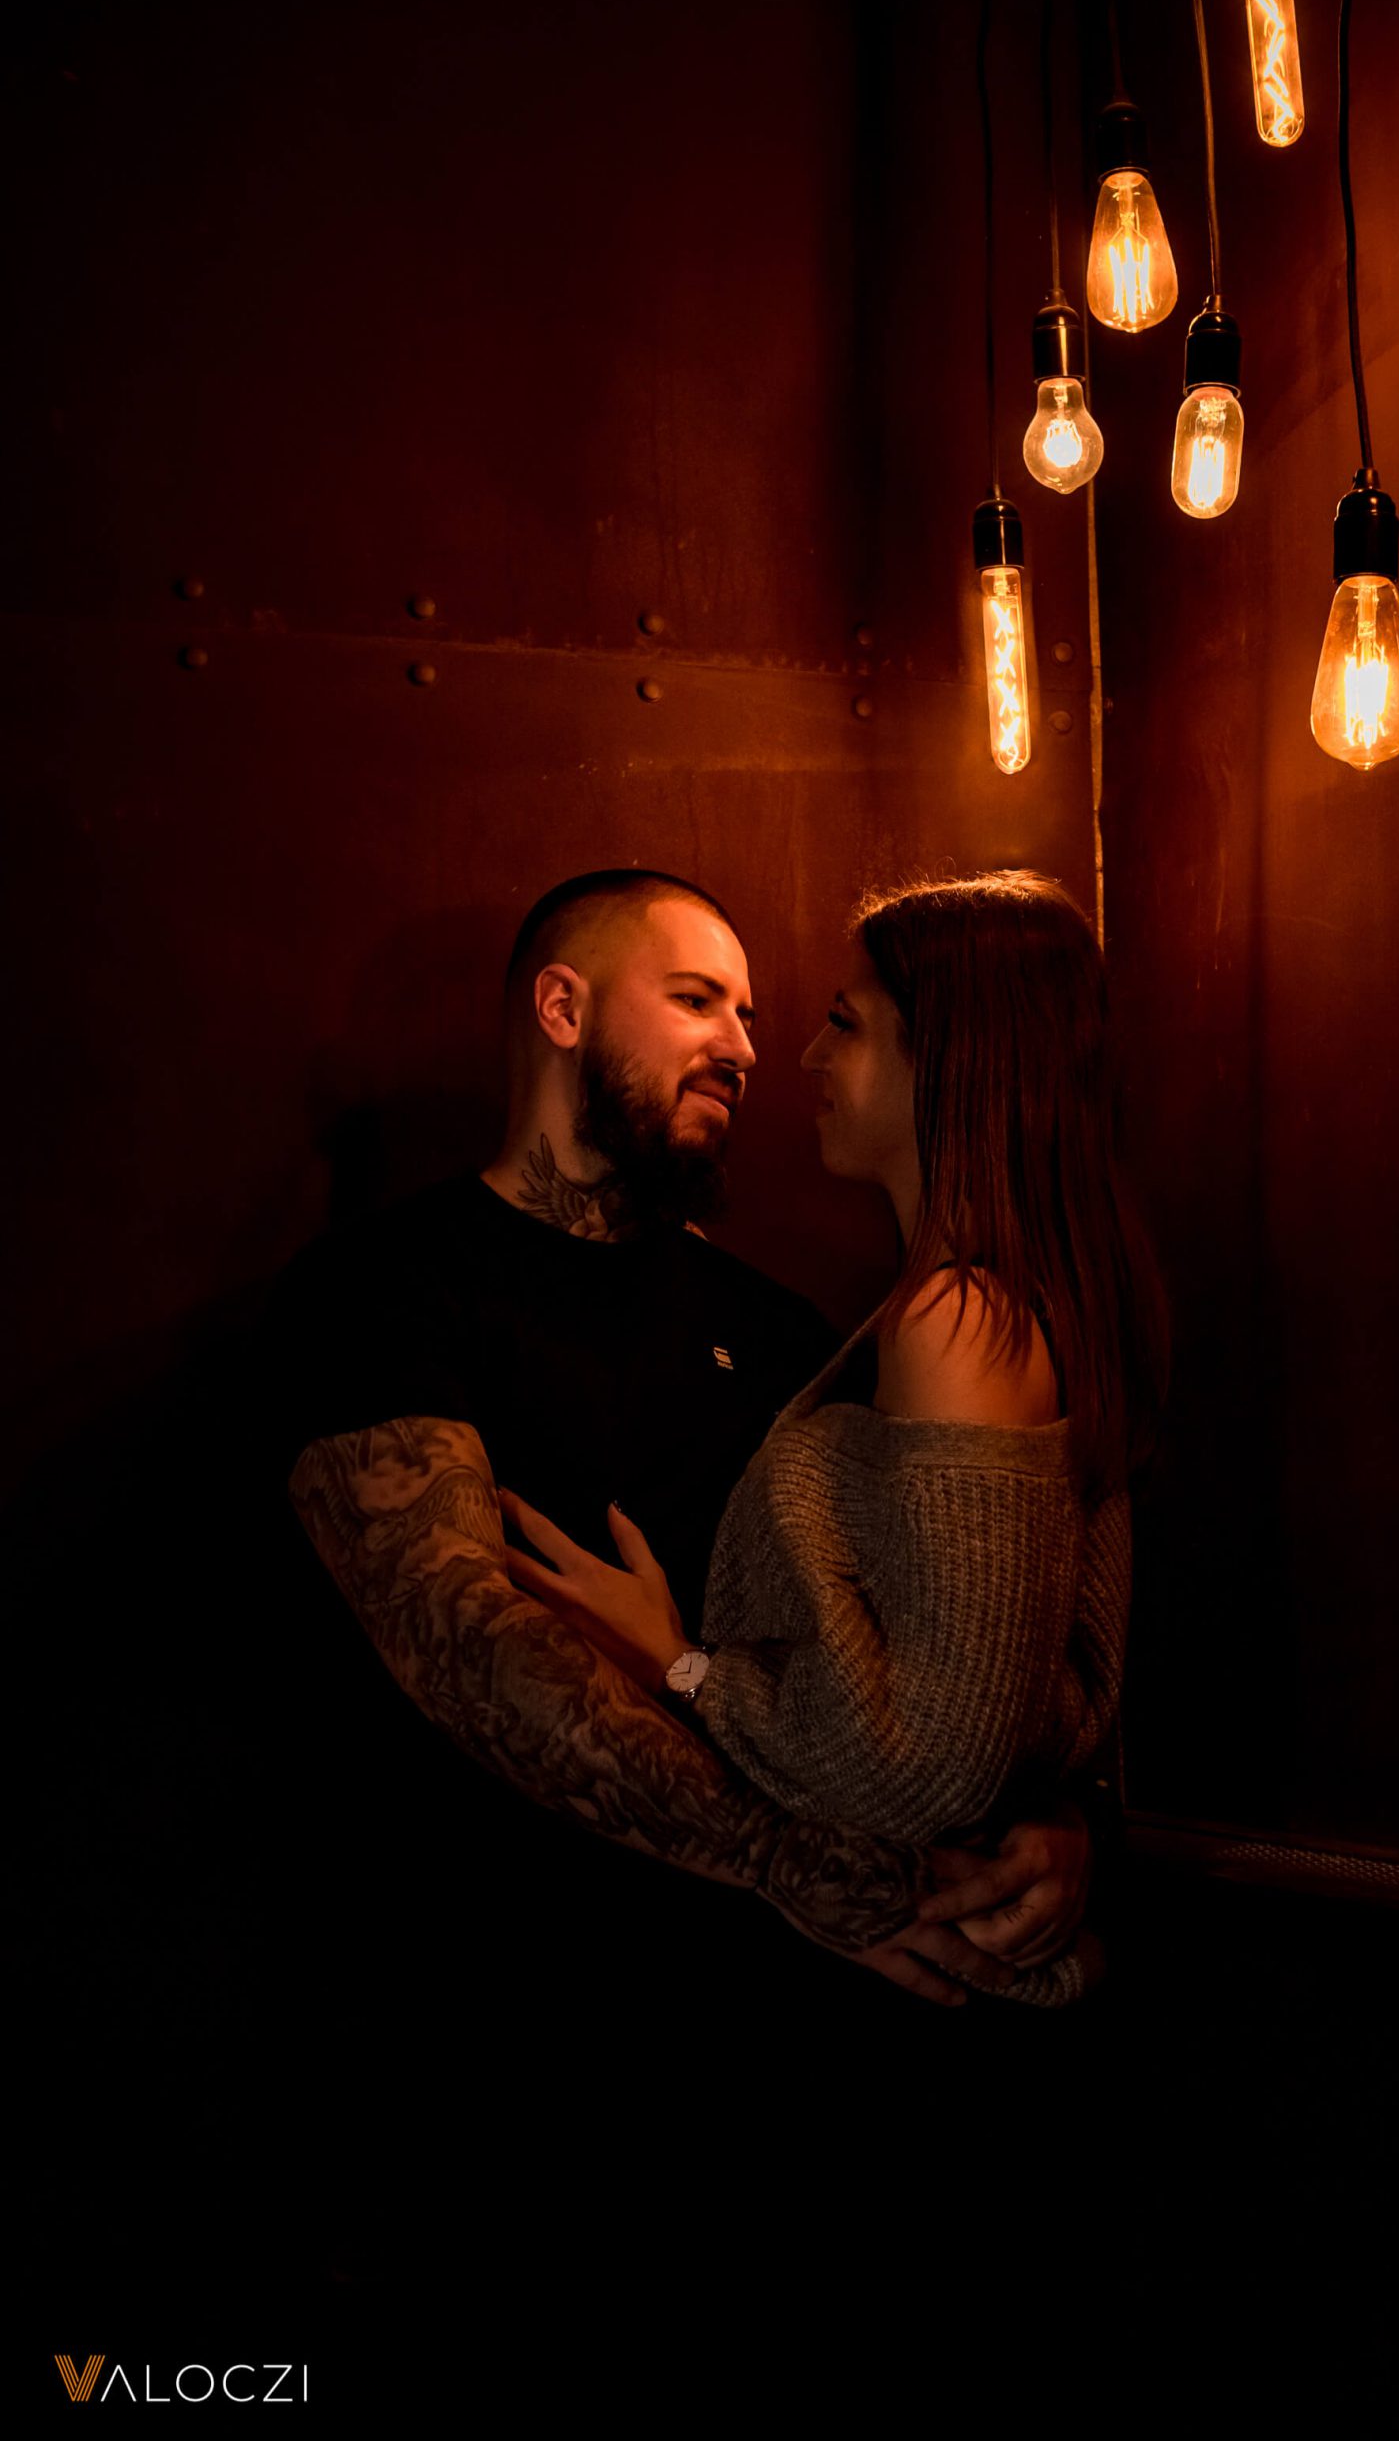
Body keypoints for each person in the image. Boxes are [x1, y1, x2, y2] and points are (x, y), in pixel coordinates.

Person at [273, 868, 1101, 2073]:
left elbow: (937, 1656)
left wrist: (1052, 1824)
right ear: (563, 1008)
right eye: (698, 1000)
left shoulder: (785, 1332)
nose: (748, 1049)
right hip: (502, 2010)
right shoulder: (384, 1286)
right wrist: (788, 1859)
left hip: (793, 2020)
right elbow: (461, 1641)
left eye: (752, 1016)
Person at [495, 870, 1151, 2007]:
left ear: (946, 1057)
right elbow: (998, 1695)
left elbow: (938, 1762)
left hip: (920, 1979)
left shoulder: (959, 1318)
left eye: (842, 1022)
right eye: (699, 1001)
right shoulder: (960, 1309)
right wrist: (1058, 1812)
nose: (788, 1054)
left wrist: (680, 1664)